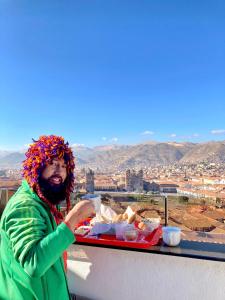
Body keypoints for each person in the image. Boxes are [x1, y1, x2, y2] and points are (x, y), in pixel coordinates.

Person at [0, 135, 95, 300]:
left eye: (64, 166)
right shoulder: (25, 206)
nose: (59, 170)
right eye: (52, 163)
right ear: (36, 165)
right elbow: (34, 263)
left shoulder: (45, 200)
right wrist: (74, 218)